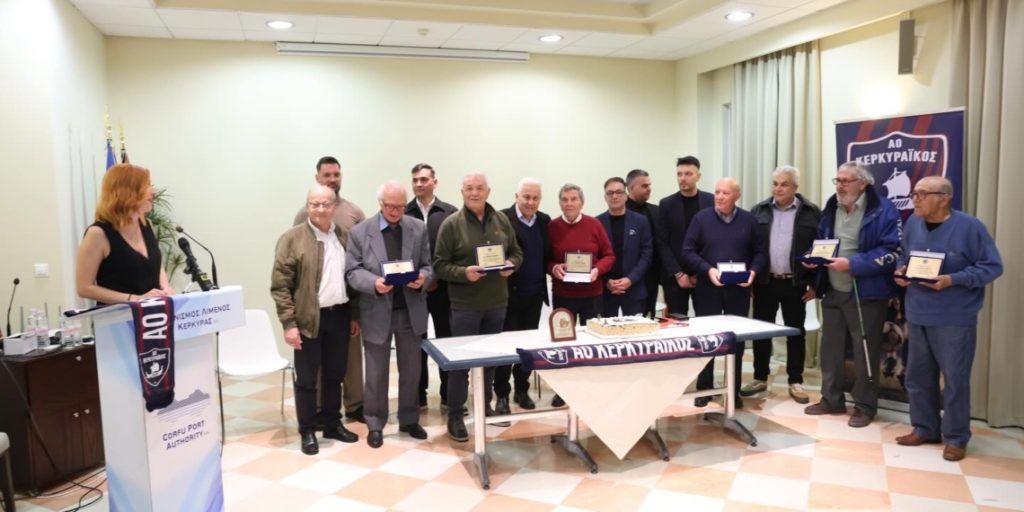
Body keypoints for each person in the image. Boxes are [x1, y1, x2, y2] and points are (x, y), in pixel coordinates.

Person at [893, 176, 1002, 461]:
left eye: (922, 194)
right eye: (914, 193)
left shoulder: (970, 227)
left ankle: (956, 437)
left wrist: (953, 279)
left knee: (954, 380)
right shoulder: (913, 223)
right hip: (918, 313)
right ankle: (925, 428)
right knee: (918, 376)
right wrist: (901, 271)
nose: (915, 199)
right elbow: (903, 255)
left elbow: (992, 267)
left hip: (954, 317)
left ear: (944, 198)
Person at [803, 161, 901, 428]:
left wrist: (853, 264)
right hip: (833, 288)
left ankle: (865, 406)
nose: (840, 186)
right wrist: (814, 258)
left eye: (846, 181)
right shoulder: (831, 206)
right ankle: (831, 399)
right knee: (830, 350)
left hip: (865, 292)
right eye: (838, 180)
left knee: (864, 352)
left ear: (863, 183)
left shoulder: (883, 210)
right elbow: (823, 240)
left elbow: (892, 251)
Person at [433, 173, 523, 441]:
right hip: (465, 307)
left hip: (496, 303)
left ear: (488, 191)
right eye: (469, 188)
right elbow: (439, 265)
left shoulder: (501, 220)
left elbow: (517, 252)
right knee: (461, 364)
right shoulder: (451, 224)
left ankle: (484, 406)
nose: (475, 193)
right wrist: (464, 273)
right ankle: (456, 415)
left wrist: (512, 265)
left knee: (489, 361)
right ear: (462, 192)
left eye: (479, 188)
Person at [272, 185, 361, 455]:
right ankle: (308, 430)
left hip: (339, 315)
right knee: (307, 380)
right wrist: (289, 324)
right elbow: (281, 286)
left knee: (335, 375)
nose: (320, 209)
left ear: (334, 207)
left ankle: (333, 423)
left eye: (325, 204)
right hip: (308, 319)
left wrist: (354, 315)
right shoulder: (291, 239)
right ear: (307, 206)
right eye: (314, 204)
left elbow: (353, 279)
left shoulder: (344, 236)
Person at [346, 181, 434, 448]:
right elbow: (352, 271)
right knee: (375, 372)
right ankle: (375, 423)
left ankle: (409, 419)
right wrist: (373, 283)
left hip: (410, 310)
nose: (395, 211)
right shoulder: (360, 232)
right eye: (390, 206)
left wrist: (423, 278)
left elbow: (428, 266)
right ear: (380, 204)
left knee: (411, 370)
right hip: (376, 310)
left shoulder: (417, 228)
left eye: (400, 206)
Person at [293, 156, 367, 424]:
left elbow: (362, 260)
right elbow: (295, 265)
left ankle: (355, 405)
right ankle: (317, 411)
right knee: (315, 364)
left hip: (345, 303)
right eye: (327, 175)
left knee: (349, 360)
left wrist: (356, 311)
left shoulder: (354, 213)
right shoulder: (304, 215)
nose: (332, 179)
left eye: (336, 174)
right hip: (314, 308)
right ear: (317, 178)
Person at [683, 178, 766, 408]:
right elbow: (687, 251)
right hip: (708, 288)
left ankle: (733, 390)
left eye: (725, 193)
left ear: (737, 195)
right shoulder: (701, 219)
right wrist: (707, 270)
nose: (719, 196)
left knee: (735, 341)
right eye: (717, 192)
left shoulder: (749, 220)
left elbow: (760, 252)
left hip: (738, 291)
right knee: (706, 340)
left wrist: (753, 272)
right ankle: (704, 388)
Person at [742, 166, 821, 404]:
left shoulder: (811, 212)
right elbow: (749, 248)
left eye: (784, 184)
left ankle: (795, 380)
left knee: (795, 332)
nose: (778, 188)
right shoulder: (759, 210)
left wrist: (815, 284)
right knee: (761, 332)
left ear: (795, 187)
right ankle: (759, 377)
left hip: (795, 283)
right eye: (775, 183)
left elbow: (821, 250)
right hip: (765, 282)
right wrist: (750, 280)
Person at [547, 183, 615, 407]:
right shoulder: (552, 227)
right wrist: (554, 268)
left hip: (592, 295)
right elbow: (546, 259)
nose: (569, 204)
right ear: (560, 203)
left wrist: (598, 270)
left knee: (591, 342)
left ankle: (591, 387)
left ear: (581, 202)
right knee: (563, 343)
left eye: (573, 199)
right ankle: (564, 390)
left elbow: (609, 256)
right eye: (565, 199)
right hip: (563, 295)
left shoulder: (594, 225)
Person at [76, 163, 175, 304]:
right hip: (117, 316)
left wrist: (165, 288)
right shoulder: (98, 234)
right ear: (128, 191)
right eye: (147, 185)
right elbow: (84, 288)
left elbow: (156, 265)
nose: (153, 191)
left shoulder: (148, 225)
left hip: (152, 312)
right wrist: (134, 299)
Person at [403, 163, 459, 410]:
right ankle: (419, 395)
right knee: (416, 344)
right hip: (413, 290)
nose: (419, 184)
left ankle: (449, 394)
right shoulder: (404, 212)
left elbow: (456, 250)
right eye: (415, 180)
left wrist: (436, 277)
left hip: (445, 290)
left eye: (424, 179)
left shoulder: (450, 212)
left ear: (435, 182)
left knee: (448, 340)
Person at [495, 178, 551, 413]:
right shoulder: (501, 218)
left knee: (526, 348)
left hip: (534, 295)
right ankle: (501, 394)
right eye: (526, 197)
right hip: (508, 296)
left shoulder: (545, 221)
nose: (530, 202)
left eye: (535, 198)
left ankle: (521, 389)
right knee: (506, 347)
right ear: (516, 196)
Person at [657, 156, 714, 317]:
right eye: (679, 174)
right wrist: (679, 274)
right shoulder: (666, 204)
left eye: (688, 174)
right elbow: (662, 243)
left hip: (704, 275)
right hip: (675, 276)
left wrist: (701, 272)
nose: (683, 178)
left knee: (706, 321)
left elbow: (714, 240)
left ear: (698, 176)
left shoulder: (711, 201)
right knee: (676, 322)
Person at [597, 177, 653, 317]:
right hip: (606, 291)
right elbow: (595, 256)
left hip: (634, 289)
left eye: (619, 192)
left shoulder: (640, 221)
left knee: (636, 329)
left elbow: (647, 255)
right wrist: (607, 281)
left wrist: (631, 279)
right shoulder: (597, 223)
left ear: (626, 195)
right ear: (605, 197)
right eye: (610, 193)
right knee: (606, 330)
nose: (614, 196)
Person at [625, 169, 661, 317]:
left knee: (649, 319)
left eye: (649, 185)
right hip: (629, 279)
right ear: (631, 188)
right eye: (644, 186)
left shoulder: (656, 211)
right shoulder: (620, 212)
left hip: (652, 279)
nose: (649, 189)